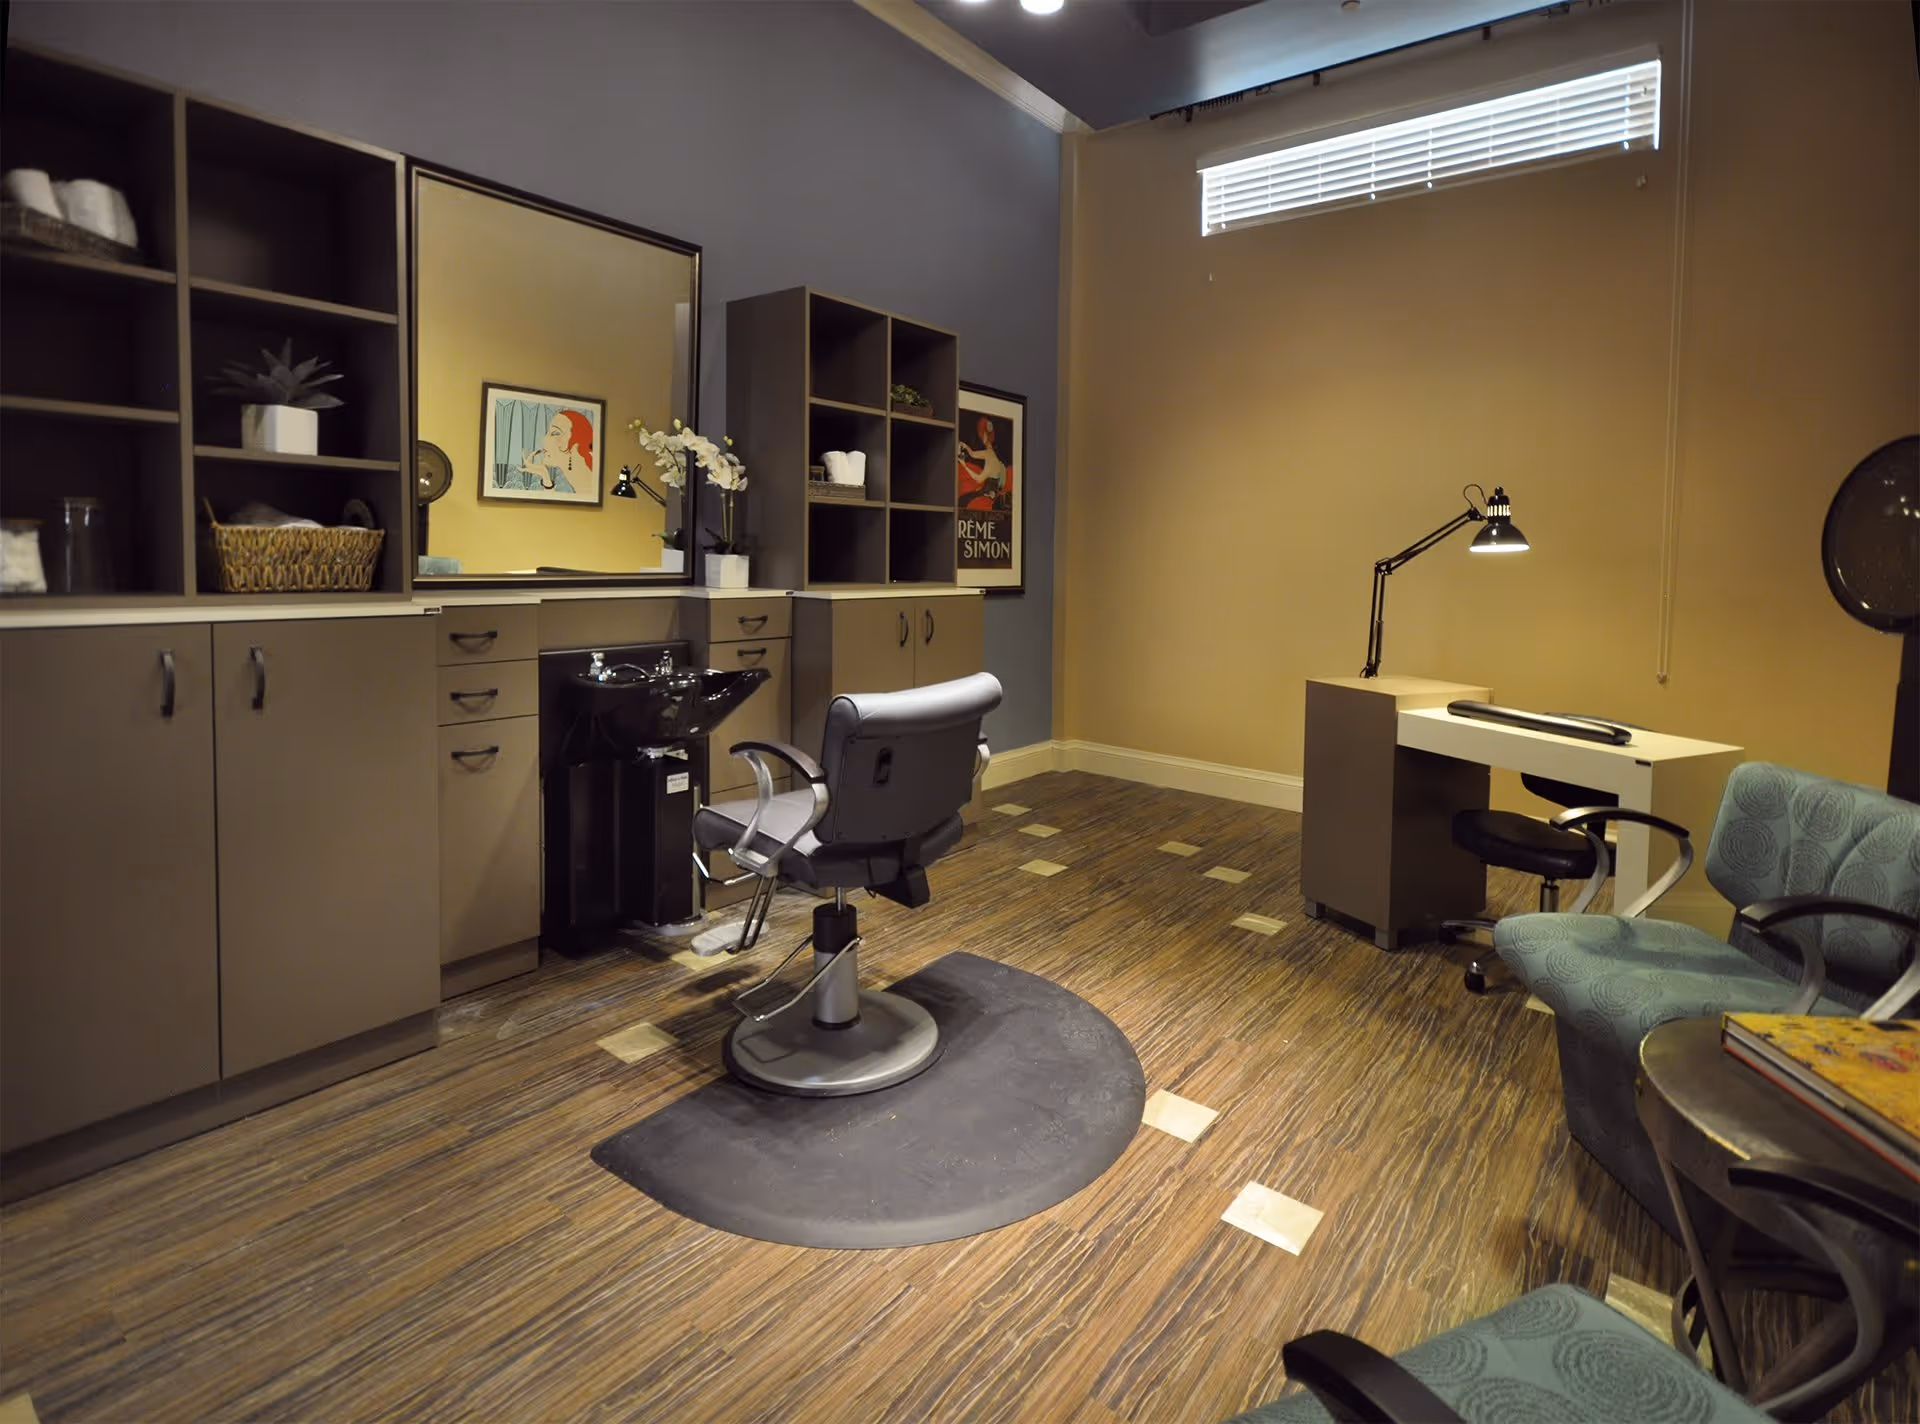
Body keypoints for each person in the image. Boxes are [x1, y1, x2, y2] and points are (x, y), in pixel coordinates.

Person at [509, 408, 595, 493]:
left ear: (576, 445)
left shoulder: (589, 482)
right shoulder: (580, 479)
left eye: (555, 433)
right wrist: (545, 475)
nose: (544, 439)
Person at [957, 414, 1010, 512]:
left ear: (985, 436)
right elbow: (973, 454)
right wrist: (966, 446)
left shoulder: (990, 457)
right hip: (988, 492)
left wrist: (964, 465)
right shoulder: (990, 453)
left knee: (963, 500)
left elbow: (978, 479)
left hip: (987, 497)